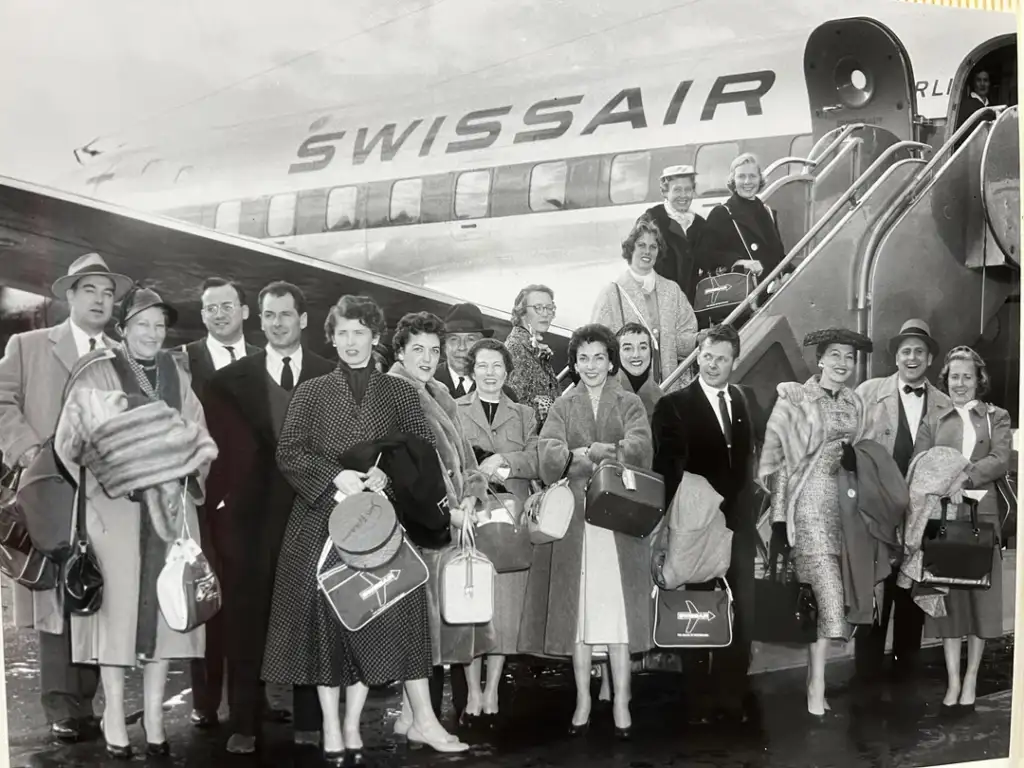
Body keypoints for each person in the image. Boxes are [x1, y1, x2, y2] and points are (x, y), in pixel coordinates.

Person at [262, 296, 468, 765]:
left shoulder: (399, 393)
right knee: (328, 629)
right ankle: (332, 727)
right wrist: (333, 476)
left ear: (376, 337)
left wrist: (387, 476)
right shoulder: (311, 392)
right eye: (343, 333)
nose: (352, 342)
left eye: (361, 333)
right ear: (331, 338)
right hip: (319, 526)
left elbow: (418, 453)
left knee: (383, 618)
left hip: (381, 525)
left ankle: (356, 725)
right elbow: (289, 452)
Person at [54, 286, 219, 758]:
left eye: (159, 325)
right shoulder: (96, 370)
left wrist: (186, 466)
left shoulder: (175, 371)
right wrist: (118, 476)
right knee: (118, 617)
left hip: (170, 511)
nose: (152, 333)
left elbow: (198, 430)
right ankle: (112, 715)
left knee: (167, 612)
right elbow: (72, 440)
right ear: (122, 328)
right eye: (142, 324)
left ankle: (153, 716)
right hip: (118, 512)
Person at [0, 254, 127, 743]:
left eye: (107, 293)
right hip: (49, 487)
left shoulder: (123, 354)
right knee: (53, 590)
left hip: (103, 493)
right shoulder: (28, 345)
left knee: (96, 587)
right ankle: (61, 704)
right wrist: (28, 449)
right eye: (89, 290)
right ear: (68, 296)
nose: (99, 300)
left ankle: (87, 702)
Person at [202, 281, 333, 754]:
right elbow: (214, 448)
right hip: (248, 521)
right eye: (269, 315)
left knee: (310, 614)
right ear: (259, 320)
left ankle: (309, 718)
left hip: (310, 512)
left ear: (303, 319)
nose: (276, 323)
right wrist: (221, 504)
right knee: (245, 618)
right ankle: (244, 721)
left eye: (285, 314)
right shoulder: (229, 379)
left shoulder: (329, 373)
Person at [518, 324, 653, 739]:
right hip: (577, 523)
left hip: (619, 524)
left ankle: (623, 704)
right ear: (573, 363)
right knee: (578, 617)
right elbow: (547, 455)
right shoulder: (563, 404)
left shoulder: (630, 401)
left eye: (598, 357)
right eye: (582, 358)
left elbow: (642, 449)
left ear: (610, 361)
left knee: (616, 617)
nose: (591, 366)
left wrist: (592, 452)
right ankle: (583, 700)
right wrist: (604, 453)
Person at [387, 312, 496, 728]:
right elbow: (403, 469)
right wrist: (443, 509)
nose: (428, 358)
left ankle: (424, 717)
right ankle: (420, 719)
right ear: (400, 351)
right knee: (423, 627)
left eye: (434, 350)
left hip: (451, 523)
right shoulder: (394, 392)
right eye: (418, 349)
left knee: (446, 620)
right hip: (417, 528)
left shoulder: (440, 393)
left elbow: (466, 459)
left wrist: (471, 494)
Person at [651, 324, 764, 724]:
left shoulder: (744, 398)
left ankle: (732, 696)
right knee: (696, 607)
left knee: (743, 610)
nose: (712, 364)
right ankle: (697, 700)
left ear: (735, 361)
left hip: (739, 527)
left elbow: (753, 454)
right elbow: (666, 469)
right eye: (706, 356)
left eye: (721, 358)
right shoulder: (674, 404)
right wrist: (664, 529)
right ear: (698, 356)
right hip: (699, 525)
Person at [759, 328, 874, 718]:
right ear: (820, 359)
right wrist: (778, 519)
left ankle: (816, 679)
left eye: (849, 357)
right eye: (835, 355)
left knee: (834, 594)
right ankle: (816, 685)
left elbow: (867, 452)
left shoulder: (857, 403)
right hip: (806, 503)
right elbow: (779, 463)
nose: (843, 363)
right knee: (826, 592)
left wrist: (856, 462)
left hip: (845, 504)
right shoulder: (796, 397)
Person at [181, 277, 262, 730]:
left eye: (227, 305)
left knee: (254, 601)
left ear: (244, 311)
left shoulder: (263, 358)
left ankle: (254, 699)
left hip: (255, 501)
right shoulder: (185, 360)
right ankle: (206, 701)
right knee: (207, 598)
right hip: (205, 499)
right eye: (210, 307)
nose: (219, 314)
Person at [914, 346, 1011, 712]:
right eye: (954, 376)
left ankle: (972, 679)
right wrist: (945, 485)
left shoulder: (996, 417)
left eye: (967, 376)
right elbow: (920, 464)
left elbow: (1000, 459)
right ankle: (953, 681)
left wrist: (963, 477)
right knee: (949, 606)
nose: (960, 383)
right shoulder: (933, 419)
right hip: (943, 518)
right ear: (946, 379)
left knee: (979, 601)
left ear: (979, 380)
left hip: (982, 519)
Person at [855, 319, 951, 684]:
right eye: (906, 350)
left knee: (912, 603)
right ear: (896, 356)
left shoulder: (944, 404)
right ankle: (865, 684)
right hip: (877, 518)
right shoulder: (868, 392)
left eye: (919, 352)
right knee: (875, 600)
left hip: (920, 520)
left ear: (929, 360)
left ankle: (905, 687)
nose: (912, 357)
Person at [455, 338, 541, 723]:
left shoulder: (524, 414)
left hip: (509, 518)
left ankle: (492, 691)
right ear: (471, 371)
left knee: (503, 610)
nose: (490, 374)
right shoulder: (454, 411)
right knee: (471, 607)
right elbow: (451, 460)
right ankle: (471, 691)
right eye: (483, 366)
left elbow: (538, 458)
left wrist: (503, 462)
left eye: (497, 367)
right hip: (471, 517)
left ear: (507, 372)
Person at [591, 218, 699, 391]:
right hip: (628, 391)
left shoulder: (672, 291)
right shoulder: (611, 293)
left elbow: (682, 340)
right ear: (630, 248)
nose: (647, 251)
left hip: (668, 389)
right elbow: (599, 346)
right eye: (641, 245)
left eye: (653, 247)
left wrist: (696, 340)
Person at [698, 153, 787, 299]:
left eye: (752, 176)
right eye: (741, 176)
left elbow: (778, 255)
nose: (747, 181)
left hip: (771, 294)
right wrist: (738, 261)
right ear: (733, 180)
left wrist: (787, 273)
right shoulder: (722, 213)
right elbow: (704, 256)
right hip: (740, 298)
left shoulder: (768, 212)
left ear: (760, 179)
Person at [643, 165, 708, 303]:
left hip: (691, 303)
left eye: (688, 189)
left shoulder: (699, 224)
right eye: (677, 190)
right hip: (659, 302)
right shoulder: (652, 220)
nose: (683, 195)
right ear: (665, 192)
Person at [505, 285, 562, 428]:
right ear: (522, 312)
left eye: (549, 308)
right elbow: (512, 411)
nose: (545, 314)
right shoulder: (515, 349)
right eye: (538, 307)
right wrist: (550, 407)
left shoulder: (533, 347)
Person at [614, 322, 663, 420]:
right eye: (627, 348)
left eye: (643, 347)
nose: (636, 355)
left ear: (651, 352)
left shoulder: (661, 400)